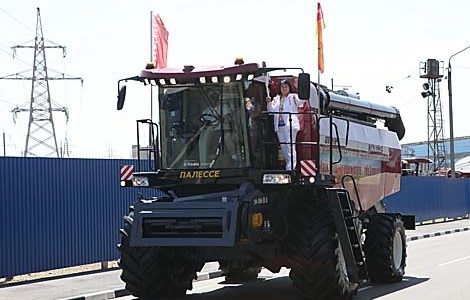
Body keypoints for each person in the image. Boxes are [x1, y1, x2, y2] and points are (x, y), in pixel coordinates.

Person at [266, 80, 309, 170]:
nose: (284, 88)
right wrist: (269, 102)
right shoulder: (277, 98)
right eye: (282, 87)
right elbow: (271, 111)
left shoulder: (293, 97)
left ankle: (291, 167)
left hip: (290, 124)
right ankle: (288, 164)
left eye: (286, 86)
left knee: (289, 145)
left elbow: (302, 100)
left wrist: (304, 90)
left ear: (289, 88)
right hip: (279, 125)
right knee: (283, 146)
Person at [198, 90, 236, 168]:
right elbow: (202, 119)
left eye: (215, 97)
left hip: (223, 128)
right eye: (212, 97)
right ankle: (203, 163)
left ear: (218, 98)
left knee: (227, 137)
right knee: (202, 139)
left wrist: (222, 118)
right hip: (211, 128)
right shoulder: (208, 109)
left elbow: (228, 118)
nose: (213, 99)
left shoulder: (224, 107)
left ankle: (234, 157)